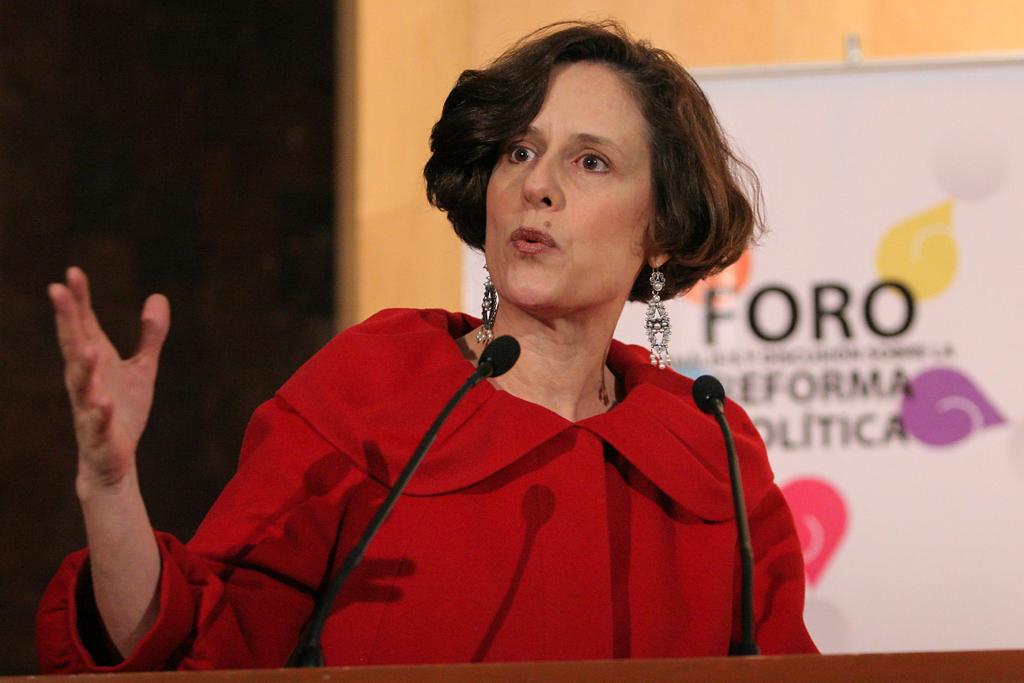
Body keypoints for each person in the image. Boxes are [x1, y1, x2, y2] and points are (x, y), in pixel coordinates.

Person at [37, 20, 816, 672]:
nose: (537, 185)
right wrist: (110, 486)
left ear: (663, 228)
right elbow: (199, 648)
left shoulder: (710, 451)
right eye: (518, 151)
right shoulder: (375, 390)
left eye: (590, 161)